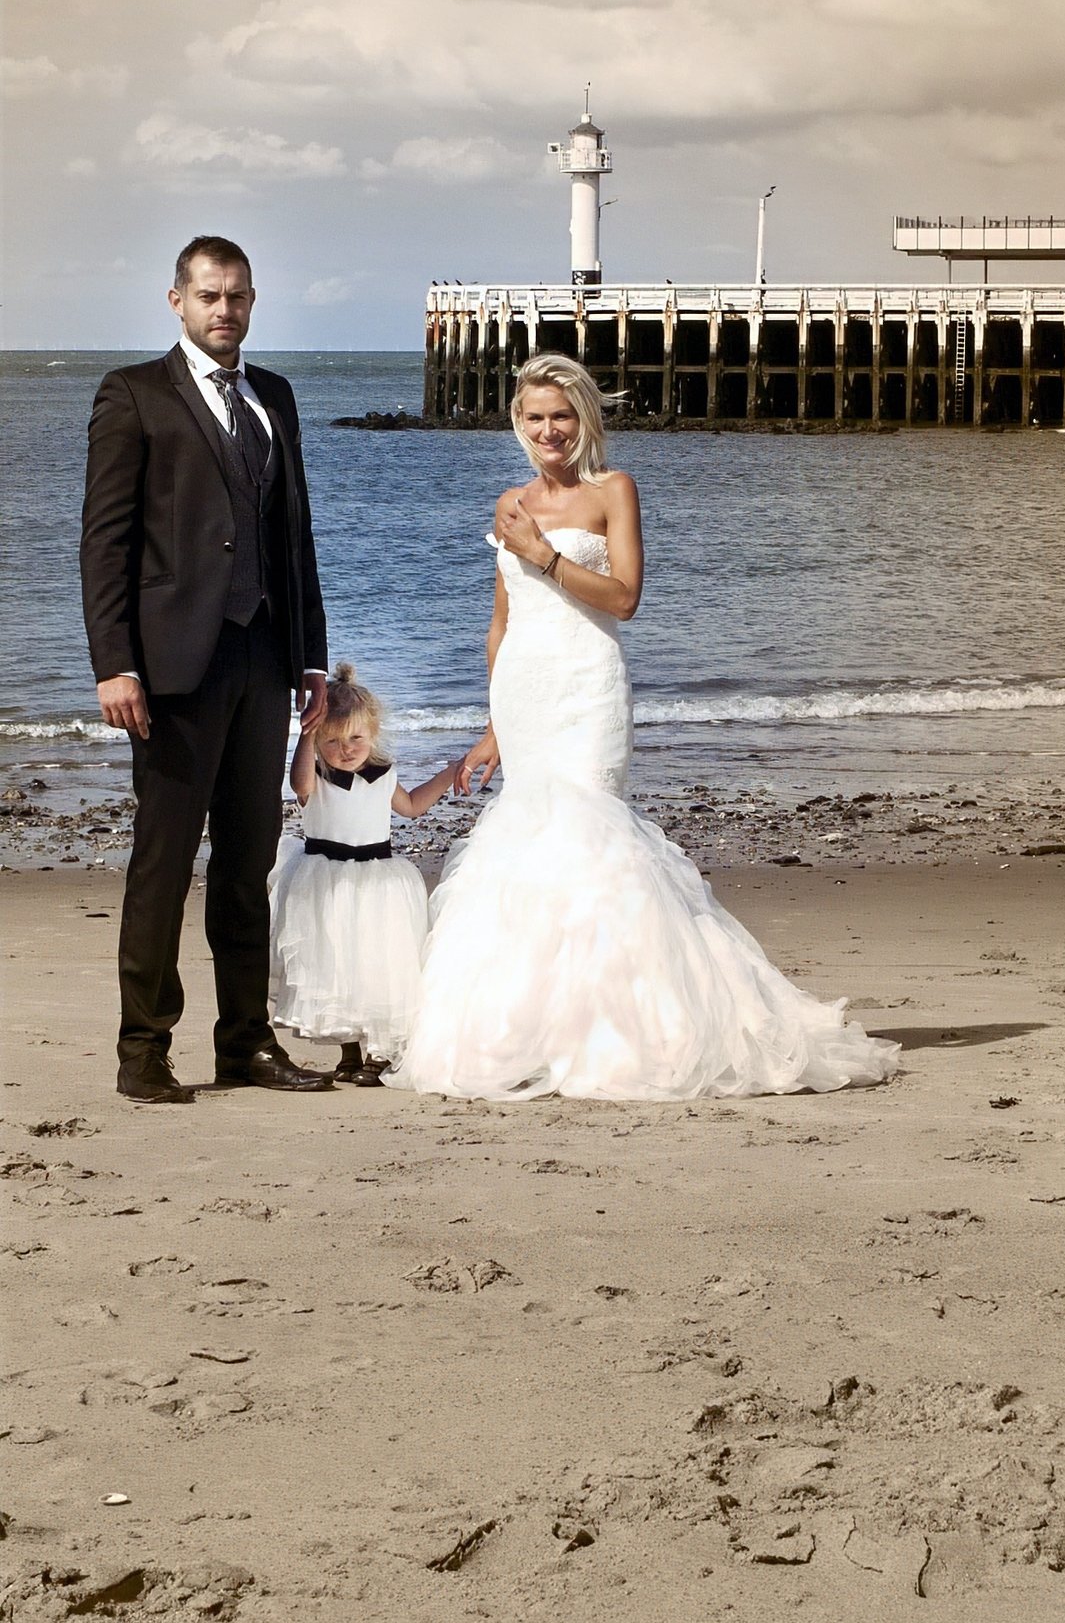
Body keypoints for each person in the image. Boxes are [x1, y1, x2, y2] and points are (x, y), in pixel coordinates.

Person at [388, 354, 899, 1100]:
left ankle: (618, 1035)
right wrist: (493, 728)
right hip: (525, 693)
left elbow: (624, 598)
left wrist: (544, 555)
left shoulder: (613, 491)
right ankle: (533, 1035)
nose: (548, 430)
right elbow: (500, 625)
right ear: (517, 424)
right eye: (534, 417)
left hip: (588, 686)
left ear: (585, 419)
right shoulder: (510, 501)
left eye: (561, 416)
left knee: (596, 842)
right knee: (527, 849)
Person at [80, 237, 334, 1102]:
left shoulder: (276, 398)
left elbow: (292, 537)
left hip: (264, 658)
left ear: (253, 302)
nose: (224, 310)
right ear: (176, 301)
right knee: (162, 860)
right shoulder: (133, 395)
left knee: (246, 861)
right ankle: (142, 1050)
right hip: (173, 666)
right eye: (208, 296)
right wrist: (115, 663)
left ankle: (245, 1044)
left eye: (238, 297)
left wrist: (309, 655)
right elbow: (105, 542)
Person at [269, 662, 460, 1083]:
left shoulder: (384, 773)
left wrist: (449, 773)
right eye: (333, 740)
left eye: (356, 738)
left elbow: (411, 807)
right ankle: (349, 1053)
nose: (346, 748)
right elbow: (298, 783)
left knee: (377, 965)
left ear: (373, 734)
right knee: (337, 964)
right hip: (328, 881)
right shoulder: (315, 776)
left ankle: (379, 1052)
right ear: (319, 741)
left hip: (378, 880)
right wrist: (305, 735)